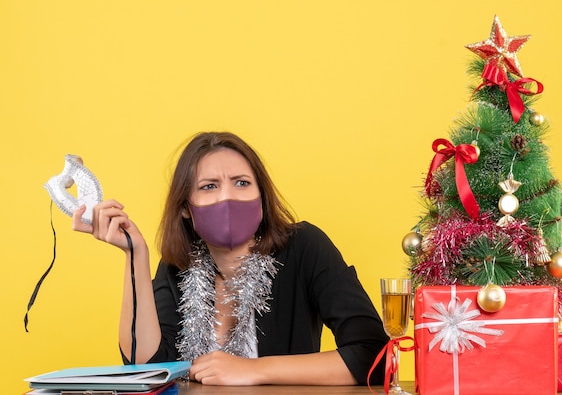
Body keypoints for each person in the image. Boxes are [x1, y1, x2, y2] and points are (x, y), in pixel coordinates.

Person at [72, 131, 388, 386]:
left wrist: (254, 370)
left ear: (261, 196)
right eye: (209, 187)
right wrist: (134, 254)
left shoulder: (304, 246)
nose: (227, 197)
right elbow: (147, 366)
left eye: (241, 183)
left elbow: (373, 356)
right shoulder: (176, 267)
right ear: (185, 208)